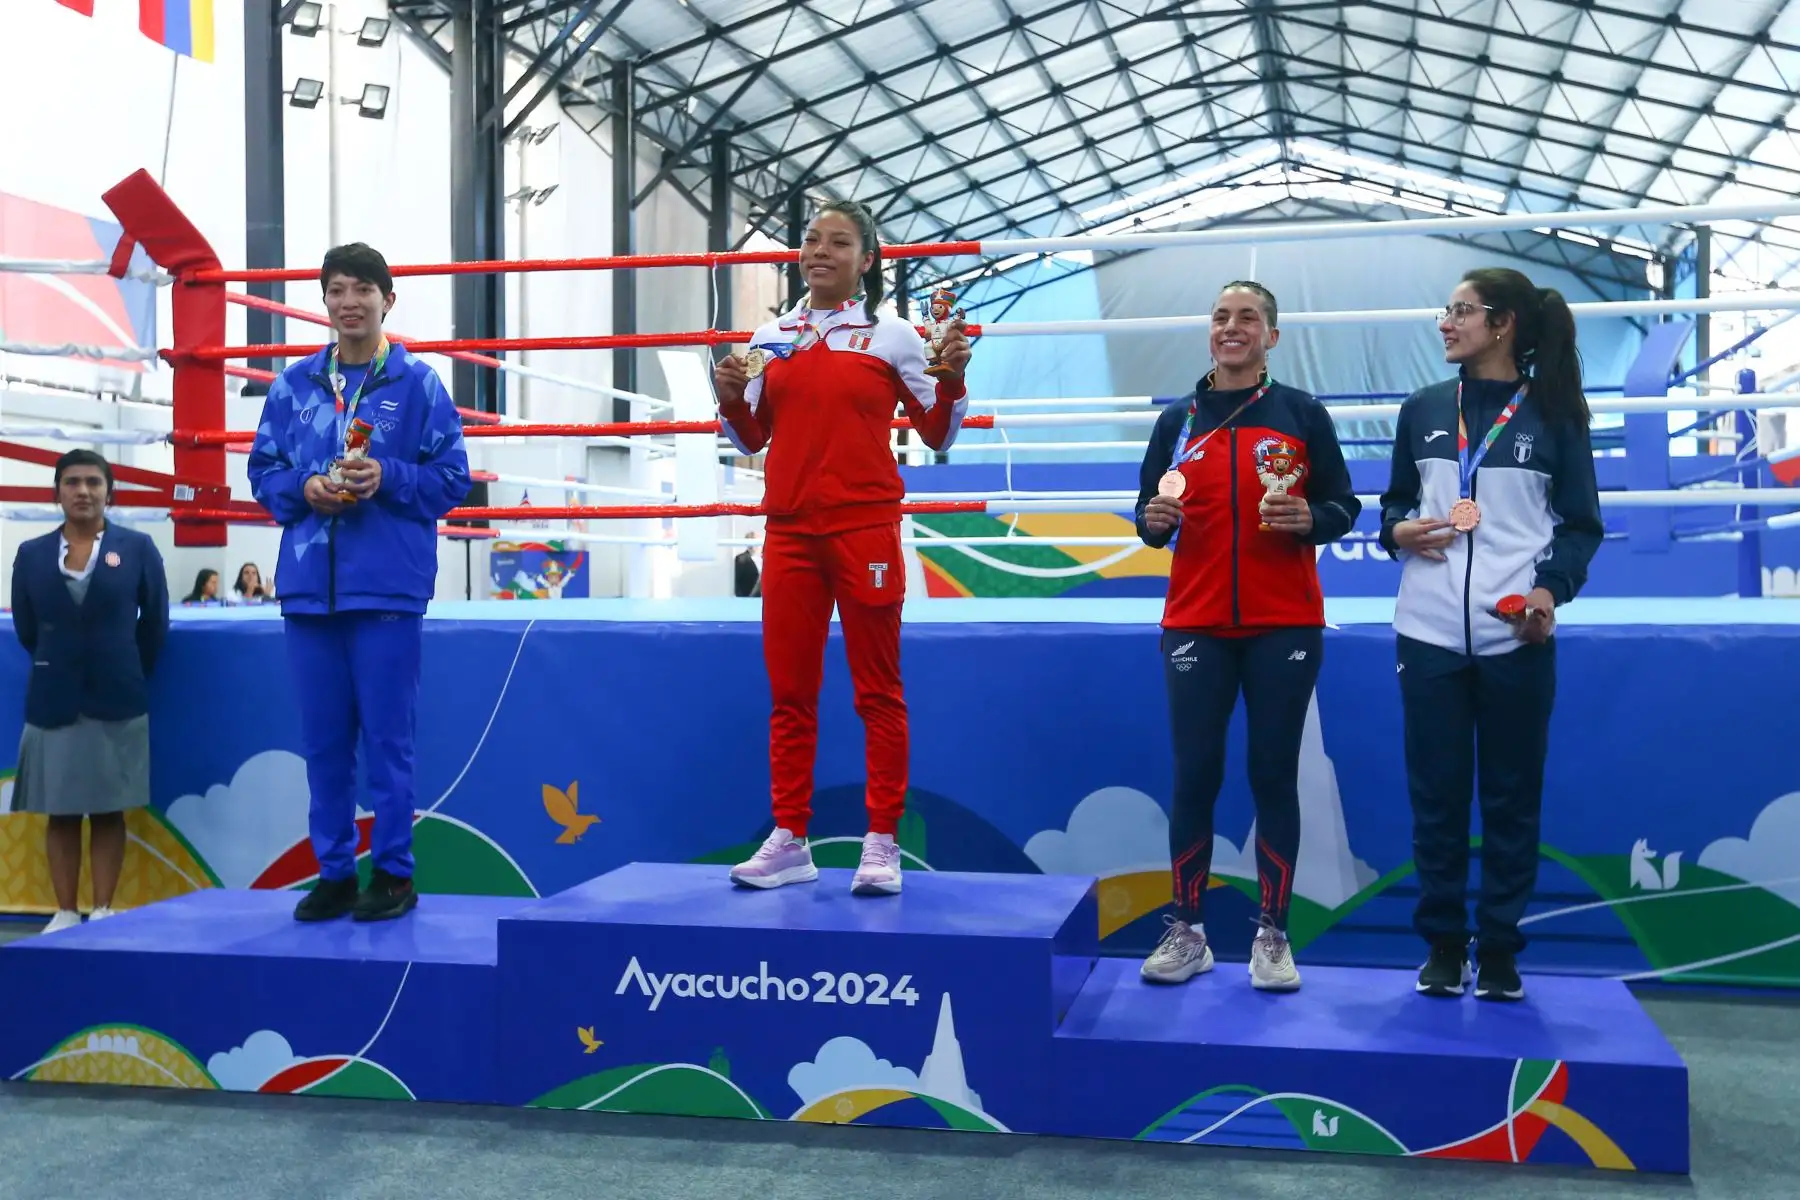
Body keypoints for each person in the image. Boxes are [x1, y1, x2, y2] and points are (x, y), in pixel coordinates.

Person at [711, 199, 971, 896]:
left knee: (877, 692)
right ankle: (790, 837)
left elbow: (939, 434)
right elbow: (752, 439)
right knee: (790, 693)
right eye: (811, 239)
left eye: (839, 242)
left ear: (867, 259)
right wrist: (729, 398)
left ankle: (881, 840)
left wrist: (953, 381)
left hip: (865, 528)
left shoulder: (894, 336)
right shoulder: (771, 333)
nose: (820, 251)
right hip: (789, 530)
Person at [1379, 268, 1602, 1002]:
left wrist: (1547, 592)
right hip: (1429, 634)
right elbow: (1395, 507)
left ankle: (1501, 949)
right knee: (1437, 801)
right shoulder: (1421, 409)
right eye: (1446, 310)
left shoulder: (1556, 416)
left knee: (1511, 801)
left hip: (1517, 638)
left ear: (1502, 324)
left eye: (1461, 311)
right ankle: (1444, 946)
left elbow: (1579, 526)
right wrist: (1398, 531)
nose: (1446, 322)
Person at [1133, 281, 1361, 992]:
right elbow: (1146, 512)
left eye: (1249, 318)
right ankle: (1188, 931)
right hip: (1195, 622)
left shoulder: (1301, 413)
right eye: (1222, 317)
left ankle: (1272, 934)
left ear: (1272, 336)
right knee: (1195, 776)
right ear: (1210, 333)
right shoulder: (1177, 421)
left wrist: (1312, 521)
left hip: (1283, 622)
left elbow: (1344, 504)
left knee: (1272, 775)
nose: (1233, 328)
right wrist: (1153, 525)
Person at [247, 242, 472, 923]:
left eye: (362, 290)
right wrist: (303, 487)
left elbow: (453, 478)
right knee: (323, 744)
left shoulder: (419, 385)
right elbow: (262, 472)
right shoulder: (293, 387)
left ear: (387, 300)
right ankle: (336, 872)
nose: (349, 302)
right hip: (309, 590)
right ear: (325, 301)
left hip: (387, 591)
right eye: (336, 290)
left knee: (386, 742)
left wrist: (390, 477)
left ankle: (396, 873)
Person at [9, 450, 169, 933]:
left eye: (93, 482)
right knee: (59, 812)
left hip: (117, 697)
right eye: (73, 482)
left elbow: (155, 624)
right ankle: (64, 910)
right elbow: (27, 628)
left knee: (107, 809)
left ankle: (102, 908)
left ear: (109, 491)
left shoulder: (139, 549)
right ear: (57, 492)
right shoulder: (31, 554)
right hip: (53, 699)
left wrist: (123, 667)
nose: (83, 491)